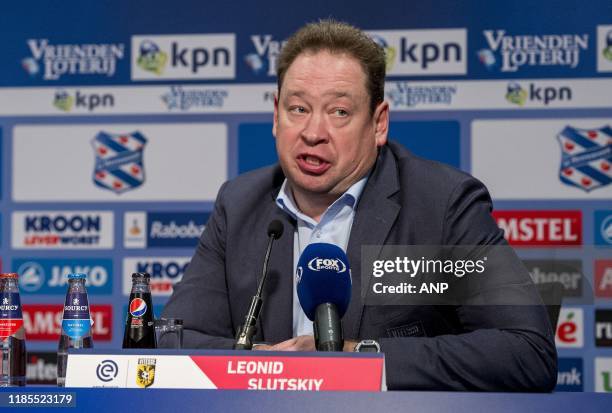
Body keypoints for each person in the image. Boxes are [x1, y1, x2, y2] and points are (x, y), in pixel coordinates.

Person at [162, 20, 557, 391]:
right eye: (298, 109)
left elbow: (525, 352)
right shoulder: (240, 205)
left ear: (378, 123)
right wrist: (265, 366)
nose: (314, 133)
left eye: (339, 112)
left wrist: (352, 359)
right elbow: (170, 342)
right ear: (276, 115)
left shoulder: (441, 205)